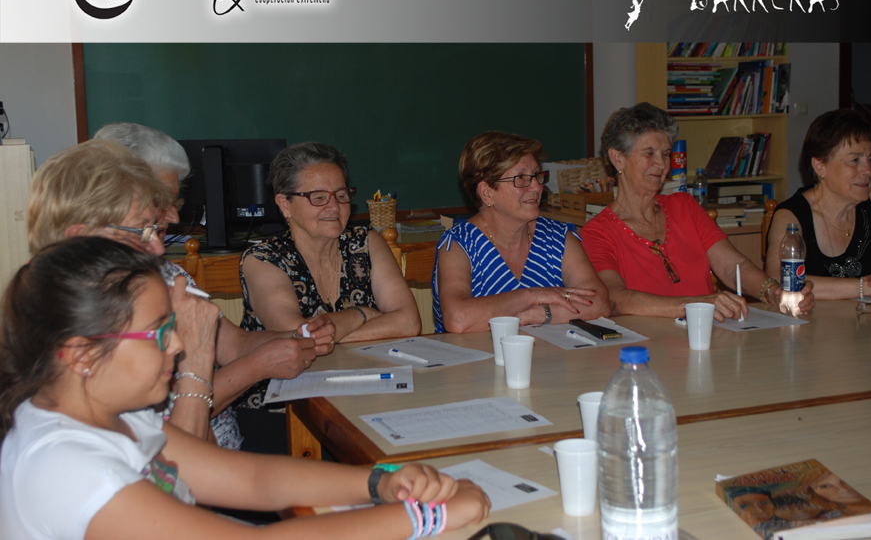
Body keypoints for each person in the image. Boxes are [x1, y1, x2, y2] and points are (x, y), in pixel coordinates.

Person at [0, 237, 490, 540]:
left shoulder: (114, 419)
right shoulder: (66, 468)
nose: (178, 344)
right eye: (158, 333)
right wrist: (427, 519)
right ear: (81, 355)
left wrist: (380, 481)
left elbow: (254, 479)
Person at [27, 139, 317, 451]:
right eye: (143, 229)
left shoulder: (157, 278)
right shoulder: (78, 324)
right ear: (80, 239)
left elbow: (200, 453)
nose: (158, 246)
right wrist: (221, 363)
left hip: (216, 444)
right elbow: (174, 450)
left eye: (171, 205)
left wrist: (303, 336)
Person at [581, 103, 813, 321]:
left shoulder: (684, 206)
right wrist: (695, 305)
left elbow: (733, 267)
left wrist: (772, 292)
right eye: (649, 153)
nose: (662, 164)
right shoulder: (598, 232)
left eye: (666, 154)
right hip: (649, 343)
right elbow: (615, 298)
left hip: (706, 334)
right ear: (618, 158)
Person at [238, 142, 421, 405]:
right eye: (318, 197)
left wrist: (331, 336)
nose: (334, 207)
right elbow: (296, 338)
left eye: (341, 195)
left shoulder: (366, 243)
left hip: (361, 388)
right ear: (285, 204)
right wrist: (360, 314)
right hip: (282, 400)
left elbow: (409, 322)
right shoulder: (262, 258)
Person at [432, 132, 609, 333]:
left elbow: (600, 303)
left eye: (537, 175)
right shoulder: (459, 244)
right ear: (487, 193)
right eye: (521, 178)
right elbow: (458, 319)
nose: (537, 187)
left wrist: (536, 314)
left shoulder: (558, 237)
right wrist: (531, 295)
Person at [765, 109, 871, 301]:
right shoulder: (790, 215)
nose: (868, 170)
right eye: (854, 160)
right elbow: (778, 280)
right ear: (820, 166)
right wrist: (867, 288)